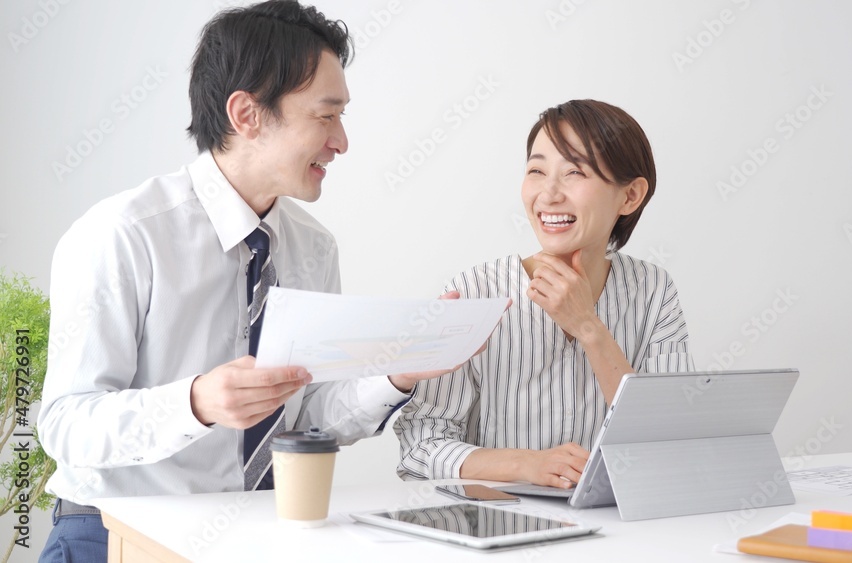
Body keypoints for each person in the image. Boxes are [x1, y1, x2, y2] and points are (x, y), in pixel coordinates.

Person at [37, 2, 474, 560]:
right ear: (246, 114)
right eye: (326, 116)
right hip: (112, 535)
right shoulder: (123, 235)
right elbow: (66, 424)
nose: (341, 142)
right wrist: (195, 402)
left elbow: (308, 416)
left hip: (253, 535)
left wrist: (397, 372)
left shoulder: (314, 248)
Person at [395, 99, 695, 488]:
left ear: (630, 196)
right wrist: (527, 465)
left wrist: (588, 327)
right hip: (496, 517)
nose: (549, 193)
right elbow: (420, 445)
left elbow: (671, 440)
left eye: (575, 172)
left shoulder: (653, 290)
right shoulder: (474, 292)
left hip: (609, 517)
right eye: (537, 171)